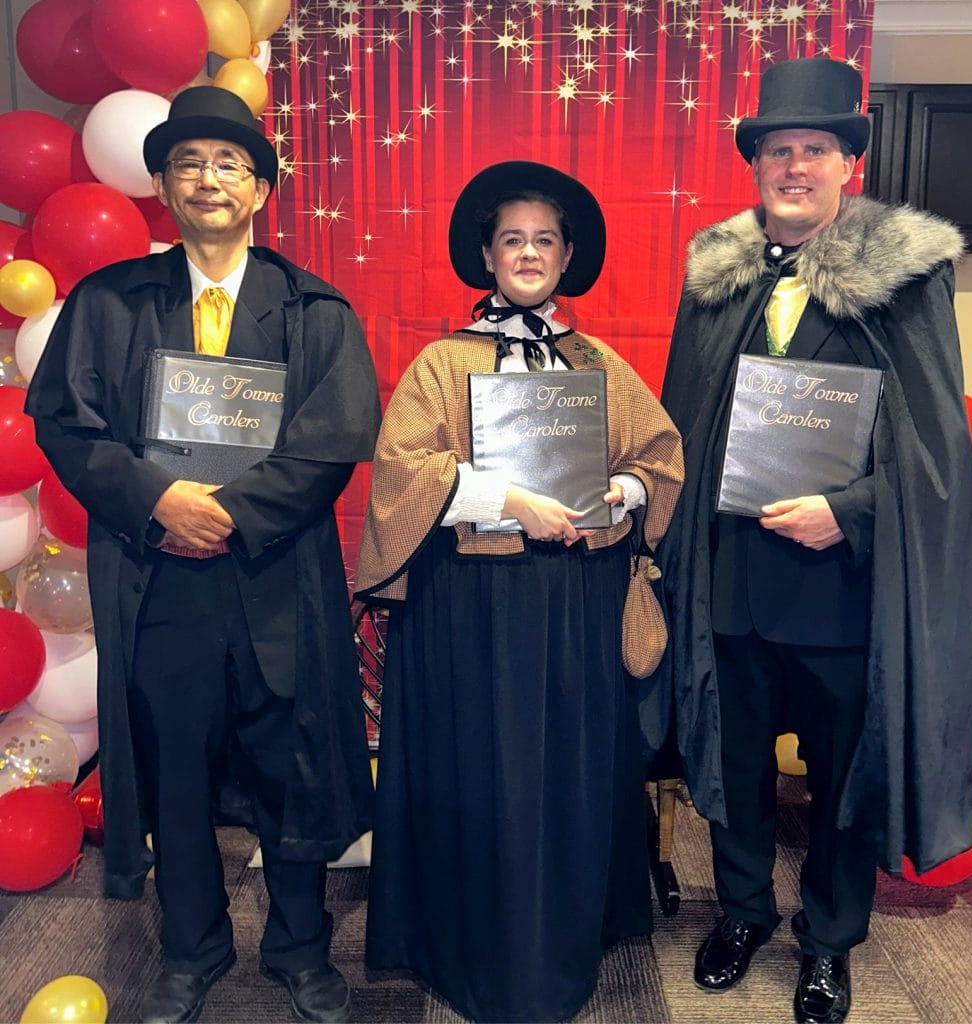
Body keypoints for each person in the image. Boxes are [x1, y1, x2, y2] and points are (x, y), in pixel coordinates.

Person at [26, 86, 381, 1024]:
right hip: (159, 584)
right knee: (173, 767)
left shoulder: (311, 309)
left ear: (260, 187)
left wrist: (224, 512)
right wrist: (161, 501)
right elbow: (67, 422)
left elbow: (330, 440)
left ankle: (300, 950)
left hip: (275, 579)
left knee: (289, 765)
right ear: (163, 186)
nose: (209, 178)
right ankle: (192, 948)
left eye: (229, 163)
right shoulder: (109, 304)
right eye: (189, 163)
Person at [657, 57, 972, 1024]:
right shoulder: (717, 277)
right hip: (735, 581)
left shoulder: (907, 283)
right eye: (777, 150)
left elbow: (933, 452)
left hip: (842, 588)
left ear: (847, 162)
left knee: (841, 783)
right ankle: (744, 912)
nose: (793, 165)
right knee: (735, 765)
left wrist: (849, 510)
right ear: (755, 163)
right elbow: (683, 420)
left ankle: (828, 942)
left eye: (813, 149)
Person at [355, 161, 683, 1022]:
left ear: (568, 254)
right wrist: (504, 500)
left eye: (545, 239)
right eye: (512, 239)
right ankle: (469, 946)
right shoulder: (440, 363)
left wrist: (618, 494)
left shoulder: (598, 363)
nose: (528, 253)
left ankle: (565, 935)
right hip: (467, 610)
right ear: (487, 255)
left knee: (562, 775)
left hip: (572, 607)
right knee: (480, 775)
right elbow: (403, 472)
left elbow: (657, 460)